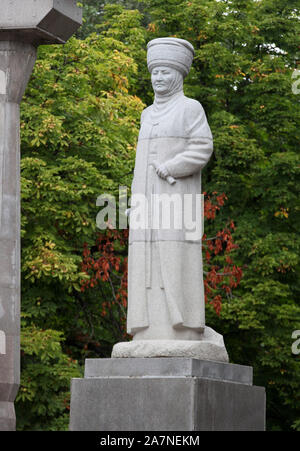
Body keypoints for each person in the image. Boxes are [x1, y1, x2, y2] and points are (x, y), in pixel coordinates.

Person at [127, 38, 213, 341]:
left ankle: (182, 328)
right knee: (146, 264)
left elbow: (203, 146)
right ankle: (148, 329)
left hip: (175, 201)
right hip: (146, 204)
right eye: (155, 73)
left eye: (165, 72)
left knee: (175, 261)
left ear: (178, 75)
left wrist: (173, 166)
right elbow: (140, 162)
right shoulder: (147, 114)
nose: (159, 79)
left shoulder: (191, 108)